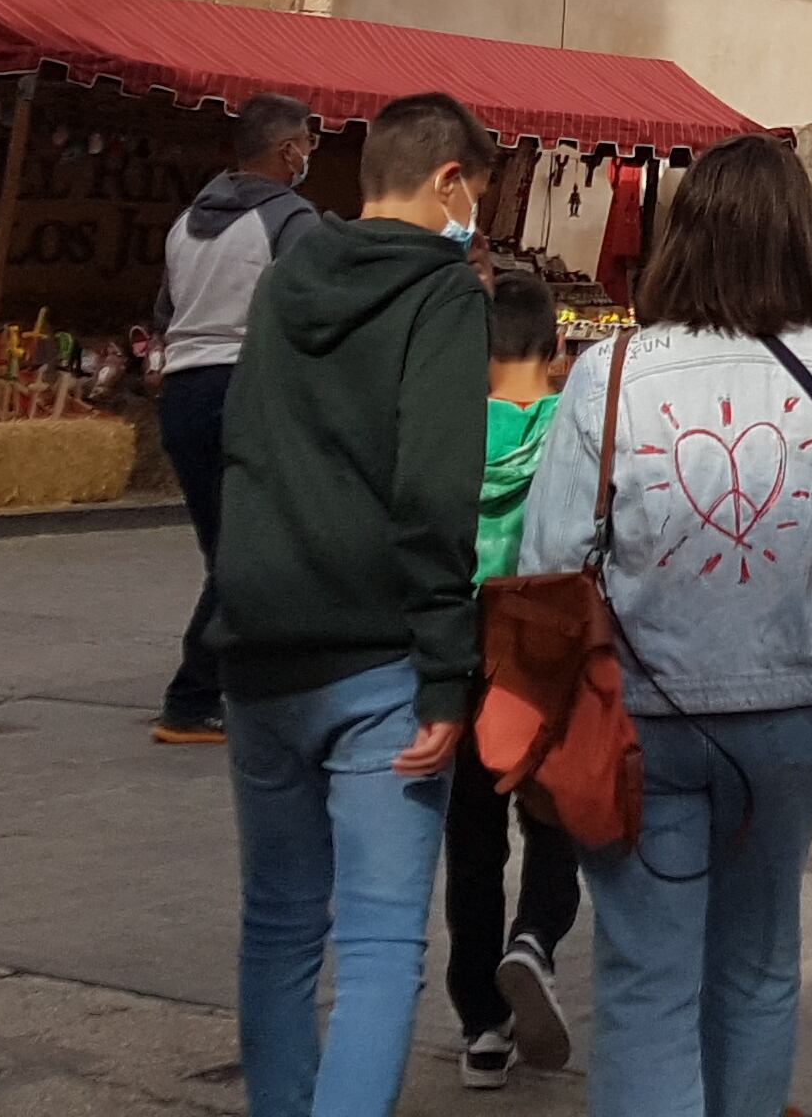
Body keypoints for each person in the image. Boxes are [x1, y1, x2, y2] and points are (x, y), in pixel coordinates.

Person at [514, 133, 812, 1117]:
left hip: (641, 710)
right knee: (758, 962)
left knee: (645, 978)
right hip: (794, 699)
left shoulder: (609, 374)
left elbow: (546, 562)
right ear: (795, 241)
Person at [214, 90, 492, 1117]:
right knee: (379, 943)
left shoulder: (286, 279)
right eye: (479, 196)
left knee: (278, 923)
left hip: (261, 639)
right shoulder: (443, 294)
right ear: (449, 178)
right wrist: (447, 666)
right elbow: (434, 489)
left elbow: (236, 444)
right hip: (378, 653)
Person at [150, 94, 321, 744]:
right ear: (285, 151)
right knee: (250, 552)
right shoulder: (290, 218)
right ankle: (192, 697)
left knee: (228, 550)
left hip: (184, 391)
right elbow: (310, 309)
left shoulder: (186, 221)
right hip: (245, 386)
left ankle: (242, 680)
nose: (308, 155)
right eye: (306, 143)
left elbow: (165, 314)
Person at [450, 262, 582, 1090]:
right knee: (554, 814)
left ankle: (482, 1028)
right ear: (557, 346)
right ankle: (534, 937)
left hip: (464, 644)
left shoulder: (452, 427)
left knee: (470, 837)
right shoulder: (573, 426)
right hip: (543, 642)